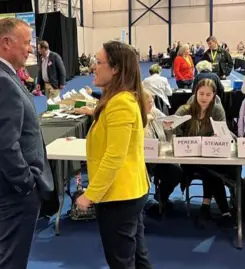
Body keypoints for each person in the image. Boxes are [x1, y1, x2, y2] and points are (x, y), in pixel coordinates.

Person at [0, 18, 54, 268]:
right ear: (6, 42)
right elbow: (6, 145)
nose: (30, 49)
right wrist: (25, 185)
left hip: (1, 183)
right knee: (12, 259)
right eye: (26, 42)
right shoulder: (0, 80)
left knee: (7, 253)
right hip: (13, 188)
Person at [75, 41, 152, 269]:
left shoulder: (121, 103)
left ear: (116, 68)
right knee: (137, 258)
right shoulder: (118, 99)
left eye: (99, 62)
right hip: (128, 192)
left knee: (121, 262)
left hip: (119, 196)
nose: (93, 67)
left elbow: (114, 157)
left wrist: (90, 195)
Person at [164, 79, 237, 228]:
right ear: (195, 93)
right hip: (187, 159)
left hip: (210, 157)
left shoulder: (217, 111)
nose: (204, 97)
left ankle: (208, 206)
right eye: (201, 93)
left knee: (211, 169)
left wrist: (219, 137)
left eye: (208, 94)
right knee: (211, 171)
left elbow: (223, 134)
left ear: (213, 96)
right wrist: (169, 128)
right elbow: (173, 136)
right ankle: (221, 210)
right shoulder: (184, 110)